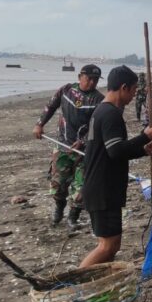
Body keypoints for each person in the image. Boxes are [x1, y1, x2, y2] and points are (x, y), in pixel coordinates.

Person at [78, 66, 152, 268]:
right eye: (133, 90)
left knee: (110, 245)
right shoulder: (110, 114)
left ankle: (97, 282)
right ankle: (74, 284)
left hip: (102, 187)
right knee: (107, 246)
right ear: (124, 88)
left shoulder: (102, 111)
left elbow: (112, 150)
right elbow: (115, 151)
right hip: (102, 189)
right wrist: (144, 136)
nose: (133, 96)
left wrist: (143, 149)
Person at [33, 64, 104, 226]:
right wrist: (39, 124)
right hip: (62, 146)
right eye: (89, 79)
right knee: (58, 185)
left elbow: (98, 125)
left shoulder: (99, 100)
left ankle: (73, 216)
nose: (92, 82)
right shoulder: (66, 91)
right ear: (80, 77)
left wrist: (84, 141)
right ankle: (59, 207)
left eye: (95, 80)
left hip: (84, 151)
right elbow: (50, 106)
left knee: (81, 188)